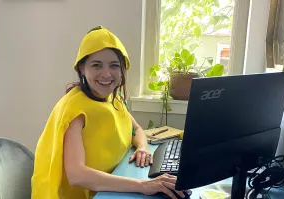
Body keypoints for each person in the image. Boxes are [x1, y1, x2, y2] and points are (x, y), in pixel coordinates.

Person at [31, 26, 185, 199]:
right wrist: (143, 185)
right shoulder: (75, 109)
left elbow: (137, 130)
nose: (106, 74)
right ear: (82, 68)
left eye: (114, 66)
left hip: (111, 186)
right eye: (97, 65)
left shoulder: (114, 98)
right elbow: (77, 175)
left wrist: (142, 148)